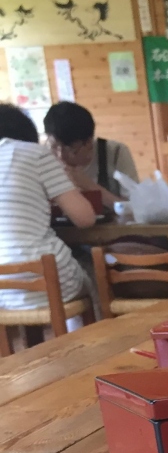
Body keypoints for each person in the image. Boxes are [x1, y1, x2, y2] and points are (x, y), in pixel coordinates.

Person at [0, 104, 96, 311]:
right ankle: (93, 331)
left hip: (3, 290)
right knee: (92, 276)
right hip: (45, 271)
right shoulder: (35, 154)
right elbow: (85, 218)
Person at [43, 101, 139, 205]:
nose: (61, 156)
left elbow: (135, 208)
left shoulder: (116, 152)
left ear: (89, 142)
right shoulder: (44, 159)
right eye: (54, 147)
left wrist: (88, 185)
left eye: (70, 149)